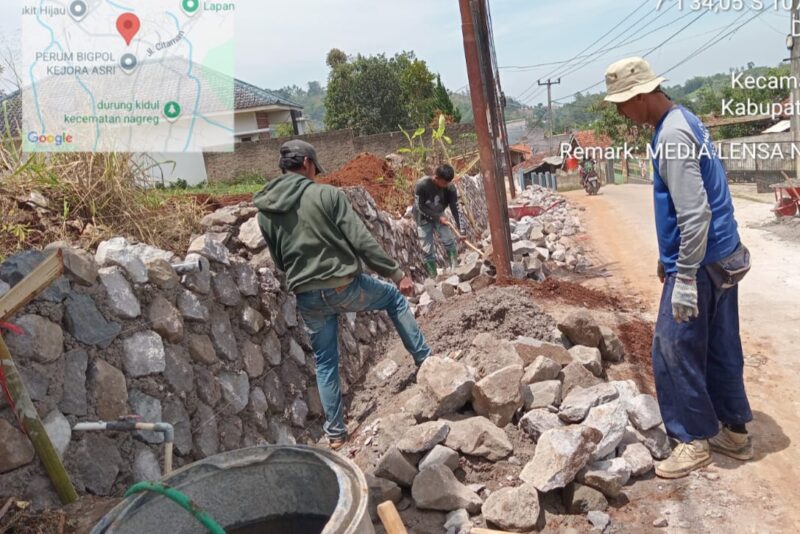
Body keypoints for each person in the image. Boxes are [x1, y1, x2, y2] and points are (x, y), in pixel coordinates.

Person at [604, 57, 753, 478]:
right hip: (721, 253)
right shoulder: (685, 120)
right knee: (720, 343)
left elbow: (695, 212)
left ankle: (693, 439)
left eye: (622, 103)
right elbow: (695, 199)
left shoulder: (670, 135)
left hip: (701, 262)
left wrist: (684, 274)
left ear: (641, 96)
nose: (621, 113)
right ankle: (734, 431)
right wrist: (667, 253)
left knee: (672, 348)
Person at [254, 140, 432, 450]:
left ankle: (336, 433)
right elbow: (361, 241)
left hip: (307, 297)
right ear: (307, 163)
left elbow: (280, 262)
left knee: (326, 363)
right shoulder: (327, 195)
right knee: (393, 298)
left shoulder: (265, 212)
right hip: (343, 286)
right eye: (314, 167)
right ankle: (427, 363)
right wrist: (397, 274)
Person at [413, 164, 467, 278]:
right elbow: (420, 207)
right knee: (427, 249)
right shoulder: (422, 185)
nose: (446, 185)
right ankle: (434, 278)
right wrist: (437, 217)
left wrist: (462, 229)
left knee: (449, 240)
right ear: (436, 177)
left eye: (448, 182)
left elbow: (455, 208)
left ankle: (455, 270)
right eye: (444, 183)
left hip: (439, 214)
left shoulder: (450, 188)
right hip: (422, 217)